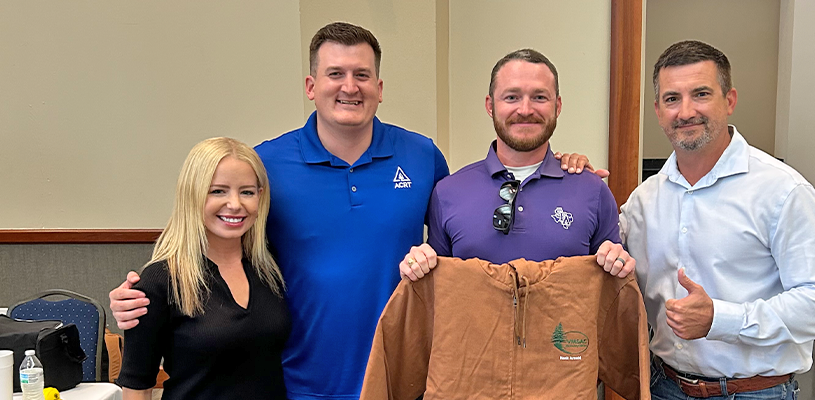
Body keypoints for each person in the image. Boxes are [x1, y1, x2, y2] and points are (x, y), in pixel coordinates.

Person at [110, 23, 598, 400]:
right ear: (310, 85)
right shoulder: (267, 163)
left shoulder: (422, 157)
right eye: (335, 74)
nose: (350, 87)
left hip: (406, 377)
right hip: (299, 381)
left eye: (362, 75)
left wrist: (561, 169)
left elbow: (471, 225)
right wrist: (145, 296)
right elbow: (216, 240)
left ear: (380, 87)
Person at [620, 40, 815, 399]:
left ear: (729, 100)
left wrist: (721, 320)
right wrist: (572, 178)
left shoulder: (781, 190)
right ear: (657, 110)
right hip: (665, 387)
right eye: (672, 99)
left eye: (700, 94)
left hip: (755, 392)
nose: (685, 111)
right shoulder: (643, 201)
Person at [400, 48, 634, 280]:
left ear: (557, 106)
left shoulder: (592, 191)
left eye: (539, 97)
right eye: (512, 97)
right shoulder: (448, 192)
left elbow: (611, 291)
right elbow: (438, 292)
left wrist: (619, 262)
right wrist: (417, 264)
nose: (525, 110)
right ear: (490, 106)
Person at [117, 137, 290, 400]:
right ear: (193, 195)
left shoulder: (271, 268)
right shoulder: (160, 280)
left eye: (247, 191)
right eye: (218, 191)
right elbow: (136, 386)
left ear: (260, 196)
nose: (235, 204)